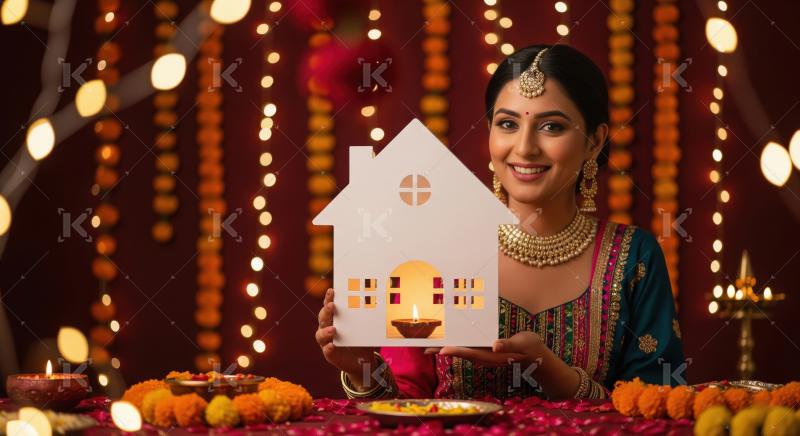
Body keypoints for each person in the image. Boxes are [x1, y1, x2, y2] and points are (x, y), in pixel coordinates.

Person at [315, 44, 684, 400]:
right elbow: (408, 401)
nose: (524, 148)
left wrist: (552, 371)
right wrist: (363, 369)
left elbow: (655, 406)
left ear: (594, 141)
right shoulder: (436, 244)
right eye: (507, 124)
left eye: (552, 127)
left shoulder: (633, 257)